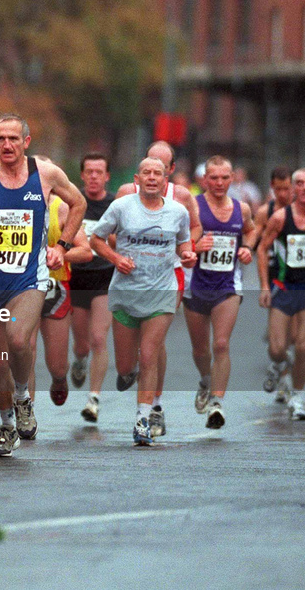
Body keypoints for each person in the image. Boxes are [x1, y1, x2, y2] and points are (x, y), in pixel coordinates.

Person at [0, 113, 87, 457]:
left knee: (16, 339)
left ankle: (24, 395)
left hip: (31, 276)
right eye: (0, 139)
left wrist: (62, 246)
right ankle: (8, 424)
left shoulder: (46, 174)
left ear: (26, 142)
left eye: (13, 138)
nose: (7, 145)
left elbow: (78, 203)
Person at [89, 157, 196, 446]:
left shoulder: (178, 212)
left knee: (149, 355)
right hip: (126, 292)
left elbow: (184, 241)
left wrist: (187, 254)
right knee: (126, 367)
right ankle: (130, 374)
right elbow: (96, 240)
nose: (151, 177)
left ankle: (143, 419)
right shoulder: (122, 207)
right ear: (137, 179)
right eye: (146, 173)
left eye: (157, 173)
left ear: (165, 180)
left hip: (162, 291)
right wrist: (116, 258)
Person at [113, 141, 202, 438]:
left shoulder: (182, 198)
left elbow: (195, 228)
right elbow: (110, 234)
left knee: (153, 341)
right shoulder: (126, 194)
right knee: (132, 351)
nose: (153, 173)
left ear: (170, 172)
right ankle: (129, 370)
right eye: (148, 165)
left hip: (169, 273)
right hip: (131, 274)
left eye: (160, 167)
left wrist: (186, 248)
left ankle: (154, 408)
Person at [256, 168, 305, 421]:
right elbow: (262, 249)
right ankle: (281, 362)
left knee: (303, 346)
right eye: (299, 183)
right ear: (293, 189)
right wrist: (265, 286)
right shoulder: (280, 218)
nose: (304, 188)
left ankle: (297, 397)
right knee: (277, 348)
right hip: (283, 289)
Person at [184, 157, 256, 429]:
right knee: (201, 349)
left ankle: (217, 402)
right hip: (196, 285)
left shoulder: (242, 209)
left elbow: (251, 230)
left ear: (232, 178)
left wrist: (247, 248)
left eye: (224, 178)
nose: (219, 183)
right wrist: (194, 246)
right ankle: (205, 380)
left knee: (221, 344)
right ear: (204, 180)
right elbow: (180, 240)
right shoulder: (193, 207)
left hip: (228, 286)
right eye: (213, 178)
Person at [67, 153, 116, 423]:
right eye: (89, 172)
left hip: (105, 278)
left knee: (99, 338)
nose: (94, 176)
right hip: (76, 278)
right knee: (83, 345)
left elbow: (125, 240)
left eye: (99, 172)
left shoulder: (114, 206)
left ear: (107, 176)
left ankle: (93, 399)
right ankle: (79, 360)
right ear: (82, 175)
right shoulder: (74, 203)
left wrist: (106, 238)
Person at [33, 194, 92, 406]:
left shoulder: (63, 208)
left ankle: (59, 379)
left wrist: (59, 255)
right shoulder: (12, 204)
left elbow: (86, 251)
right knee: (24, 350)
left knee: (57, 365)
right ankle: (24, 409)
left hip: (54, 290)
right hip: (22, 287)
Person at [253, 166, 294, 393]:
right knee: (278, 338)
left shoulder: (304, 211)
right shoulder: (264, 212)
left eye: (287, 188)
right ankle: (279, 366)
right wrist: (264, 286)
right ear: (272, 187)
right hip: (274, 276)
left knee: (295, 335)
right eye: (278, 189)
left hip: (300, 278)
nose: (283, 194)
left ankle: (283, 377)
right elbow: (256, 242)